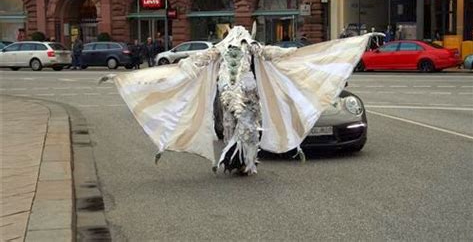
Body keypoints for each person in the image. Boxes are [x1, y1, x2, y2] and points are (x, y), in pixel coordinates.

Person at [100, 25, 374, 176]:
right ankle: (238, 162)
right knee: (236, 128)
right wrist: (142, 78)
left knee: (248, 129)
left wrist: (345, 46)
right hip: (235, 95)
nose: (239, 41)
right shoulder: (227, 50)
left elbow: (278, 55)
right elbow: (192, 64)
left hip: (248, 94)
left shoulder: (245, 48)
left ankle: (244, 162)